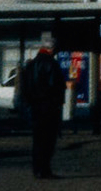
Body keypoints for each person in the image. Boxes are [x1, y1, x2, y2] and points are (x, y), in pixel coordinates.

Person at [19, 37, 68, 179]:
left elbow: (25, 87)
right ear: (51, 49)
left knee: (38, 140)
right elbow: (55, 86)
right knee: (48, 140)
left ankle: (37, 169)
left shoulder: (31, 64)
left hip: (35, 107)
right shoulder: (51, 64)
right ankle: (45, 169)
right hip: (49, 107)